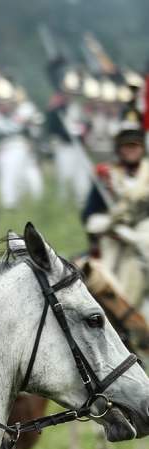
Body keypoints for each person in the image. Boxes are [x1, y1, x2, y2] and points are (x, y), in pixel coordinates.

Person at [82, 100, 149, 309]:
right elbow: (89, 217)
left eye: (134, 146)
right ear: (118, 148)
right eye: (126, 146)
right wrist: (111, 220)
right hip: (116, 241)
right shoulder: (106, 176)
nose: (130, 150)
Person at [0, 63, 44, 208]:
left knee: (34, 184)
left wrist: (29, 126)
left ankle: (37, 209)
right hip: (9, 151)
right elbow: (4, 130)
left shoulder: (25, 108)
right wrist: (22, 123)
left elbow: (37, 125)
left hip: (28, 151)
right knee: (9, 187)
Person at [44, 58, 91, 204]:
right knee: (65, 180)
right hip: (65, 147)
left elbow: (87, 123)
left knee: (84, 179)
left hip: (79, 147)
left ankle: (82, 203)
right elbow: (52, 127)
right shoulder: (56, 106)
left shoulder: (78, 105)